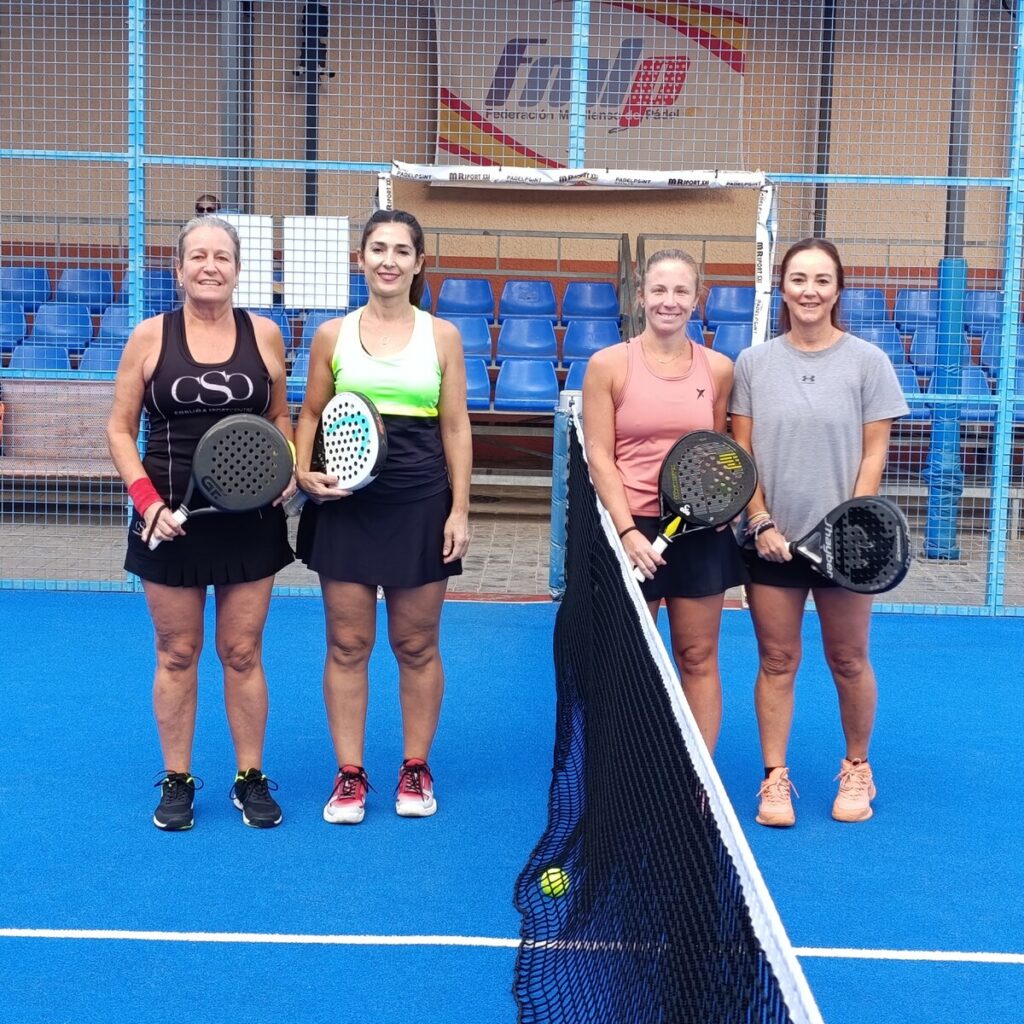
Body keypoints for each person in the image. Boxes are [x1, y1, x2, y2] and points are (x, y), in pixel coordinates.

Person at [107, 216, 296, 832]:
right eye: (197, 256)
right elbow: (119, 429)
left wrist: (286, 466)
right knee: (177, 652)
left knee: (242, 652)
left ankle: (249, 777)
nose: (210, 266)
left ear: (237, 269)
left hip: (250, 521)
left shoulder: (265, 334)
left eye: (222, 256)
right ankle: (177, 779)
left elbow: (279, 416)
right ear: (179, 268)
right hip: (168, 520)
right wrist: (147, 504)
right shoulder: (149, 337)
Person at [294, 208, 471, 825]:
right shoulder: (331, 335)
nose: (388, 260)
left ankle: (415, 767)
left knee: (416, 644)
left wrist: (460, 509)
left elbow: (455, 426)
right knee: (348, 643)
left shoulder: (442, 337)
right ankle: (350, 774)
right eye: (378, 248)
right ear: (361, 258)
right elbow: (311, 412)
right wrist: (303, 469)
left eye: (401, 250)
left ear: (419, 263)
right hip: (346, 505)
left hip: (420, 503)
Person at [729, 238, 909, 828]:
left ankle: (857, 767)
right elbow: (742, 452)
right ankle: (774, 778)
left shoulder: (868, 362)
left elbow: (874, 452)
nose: (810, 291)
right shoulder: (753, 363)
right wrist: (760, 522)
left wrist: (851, 529)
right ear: (782, 288)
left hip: (848, 548)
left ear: (837, 290)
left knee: (849, 659)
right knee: (777, 659)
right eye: (799, 279)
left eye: (822, 280)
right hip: (771, 542)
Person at [582, 249, 748, 754]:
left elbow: (717, 451)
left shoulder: (718, 369)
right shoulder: (608, 365)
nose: (668, 301)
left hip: (699, 533)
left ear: (697, 299)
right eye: (658, 290)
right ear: (641, 296)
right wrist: (627, 532)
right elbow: (599, 455)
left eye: (680, 291)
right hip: (631, 529)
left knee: (697, 656)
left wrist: (713, 510)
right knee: (625, 658)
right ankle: (620, 768)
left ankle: (698, 777)